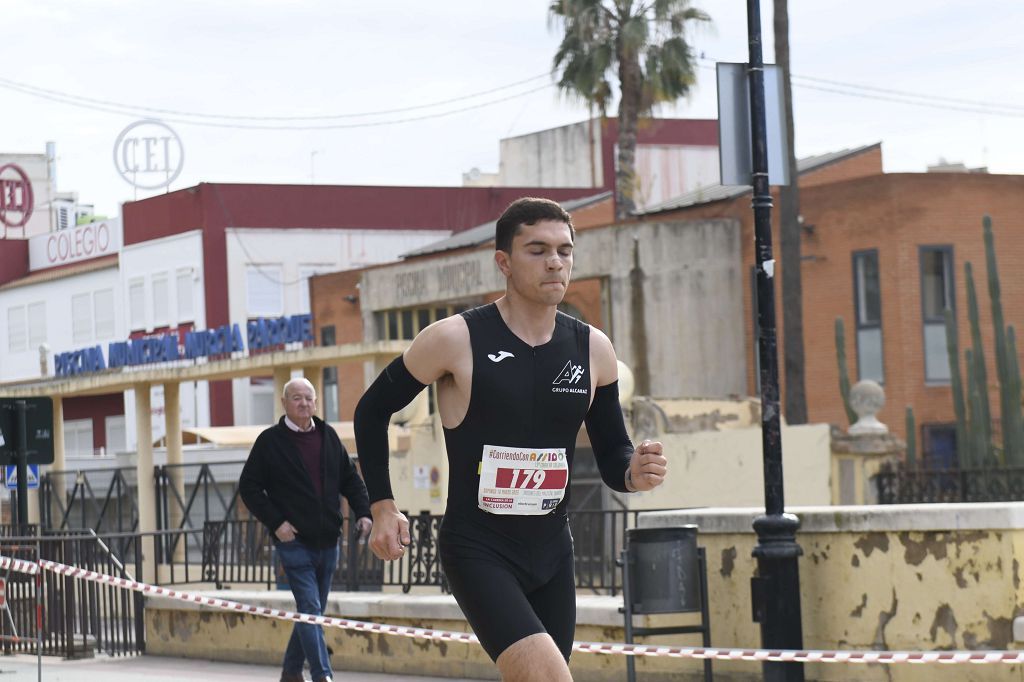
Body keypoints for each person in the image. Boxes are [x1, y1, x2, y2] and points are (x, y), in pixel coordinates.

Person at [354, 197, 668, 682]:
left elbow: (612, 455)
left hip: (552, 553)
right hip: (479, 549)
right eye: (537, 250)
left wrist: (634, 473)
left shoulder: (593, 349)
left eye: (565, 250)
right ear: (503, 261)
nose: (555, 262)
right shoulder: (454, 339)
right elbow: (372, 409)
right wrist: (382, 506)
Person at [240, 377, 372, 682]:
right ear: (284, 403)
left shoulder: (328, 436)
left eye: (309, 398)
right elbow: (249, 487)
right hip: (294, 541)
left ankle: (290, 671)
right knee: (311, 607)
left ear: (316, 402)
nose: (304, 403)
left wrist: (364, 512)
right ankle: (322, 675)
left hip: (329, 541)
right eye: (296, 398)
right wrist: (276, 523)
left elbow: (350, 479)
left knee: (310, 612)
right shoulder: (270, 441)